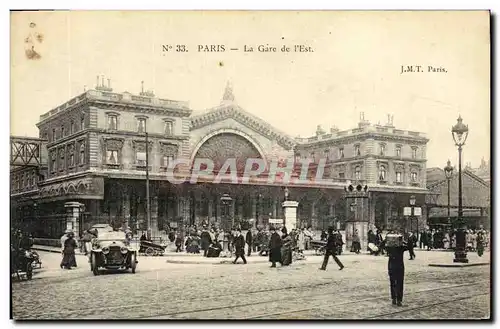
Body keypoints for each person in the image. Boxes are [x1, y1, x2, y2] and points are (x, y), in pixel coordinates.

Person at [385, 231, 408, 307]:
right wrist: (403, 241)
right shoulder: (401, 247)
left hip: (391, 266)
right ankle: (399, 300)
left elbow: (382, 245)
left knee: (392, 283)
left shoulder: (389, 247)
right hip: (400, 267)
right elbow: (409, 246)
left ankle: (394, 299)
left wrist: (386, 239)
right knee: (400, 283)